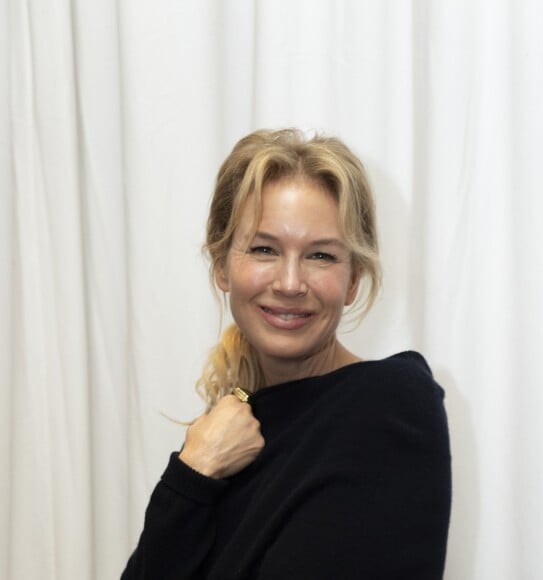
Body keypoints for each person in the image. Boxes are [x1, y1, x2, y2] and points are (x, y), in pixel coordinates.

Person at [121, 128, 451, 579]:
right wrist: (194, 471)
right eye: (264, 249)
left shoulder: (390, 406)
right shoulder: (224, 437)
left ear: (353, 280)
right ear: (222, 266)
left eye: (320, 256)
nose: (291, 283)